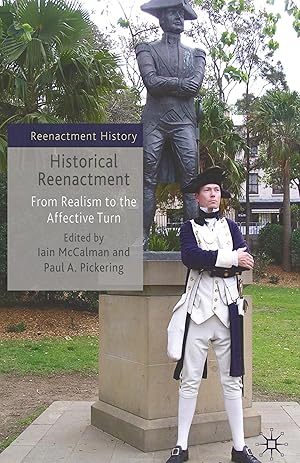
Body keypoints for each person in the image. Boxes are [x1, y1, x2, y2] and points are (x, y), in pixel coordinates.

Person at [166, 167, 261, 463]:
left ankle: (239, 448)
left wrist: (219, 262)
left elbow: (246, 262)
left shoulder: (231, 227)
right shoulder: (187, 228)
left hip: (228, 312)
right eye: (208, 190)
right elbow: (191, 258)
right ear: (197, 197)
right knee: (189, 379)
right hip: (198, 313)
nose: (213, 195)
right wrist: (229, 258)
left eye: (217, 190)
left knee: (233, 381)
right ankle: (181, 447)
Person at [136, 0, 206, 248]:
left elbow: (194, 87)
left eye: (180, 14)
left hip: (184, 123)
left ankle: (193, 240)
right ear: (161, 18)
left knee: (190, 183)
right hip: (154, 123)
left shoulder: (196, 54)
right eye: (171, 13)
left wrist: (169, 84)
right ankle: (141, 237)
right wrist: (179, 85)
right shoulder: (145, 49)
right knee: (147, 181)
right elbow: (151, 83)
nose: (178, 17)